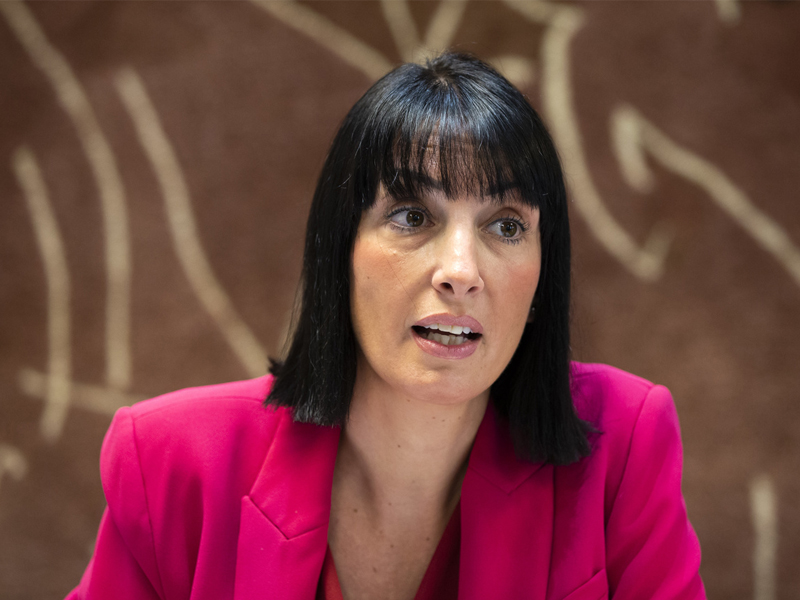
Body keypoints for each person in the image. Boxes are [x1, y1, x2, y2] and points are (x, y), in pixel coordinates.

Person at [67, 53, 705, 600]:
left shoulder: (625, 442)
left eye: (506, 226)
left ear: (543, 279)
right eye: (412, 217)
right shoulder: (172, 461)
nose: (461, 272)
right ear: (339, 254)